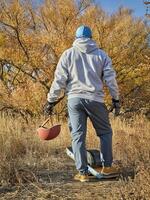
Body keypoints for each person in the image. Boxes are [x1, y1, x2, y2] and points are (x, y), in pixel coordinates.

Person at [44, 25, 120, 182]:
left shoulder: (68, 54)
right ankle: (107, 167)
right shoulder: (101, 55)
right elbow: (110, 79)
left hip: (75, 99)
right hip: (96, 99)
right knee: (105, 133)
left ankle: (83, 173)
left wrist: (50, 100)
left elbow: (59, 80)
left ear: (76, 37)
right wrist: (116, 99)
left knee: (77, 136)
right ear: (91, 38)